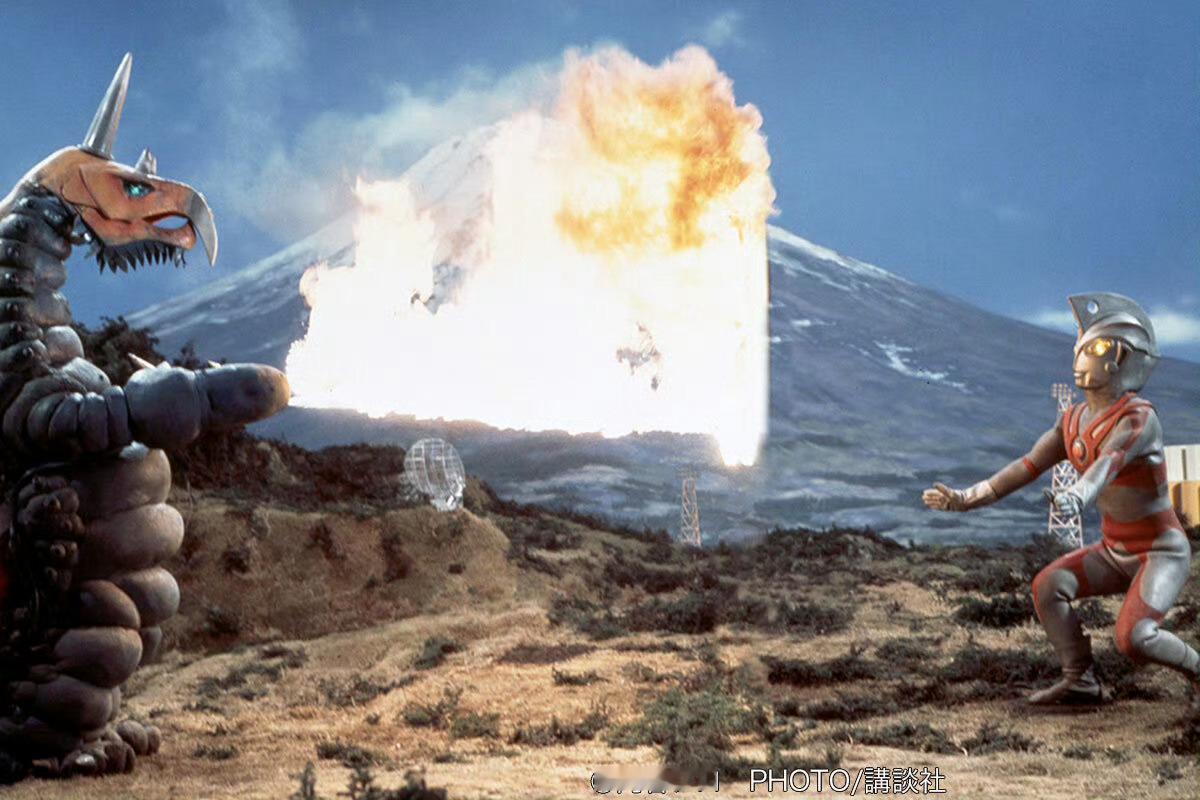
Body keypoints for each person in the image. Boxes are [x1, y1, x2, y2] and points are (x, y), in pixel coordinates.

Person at [923, 292, 1198, 707]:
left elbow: (1109, 463)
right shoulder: (1072, 421)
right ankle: (1079, 680)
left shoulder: (1139, 419)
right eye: (1081, 346)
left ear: (1121, 358)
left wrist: (1077, 495)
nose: (1081, 357)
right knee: (1049, 585)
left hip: (1160, 552)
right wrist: (966, 498)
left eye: (1095, 349)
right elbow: (1025, 466)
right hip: (1114, 550)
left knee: (1135, 638)